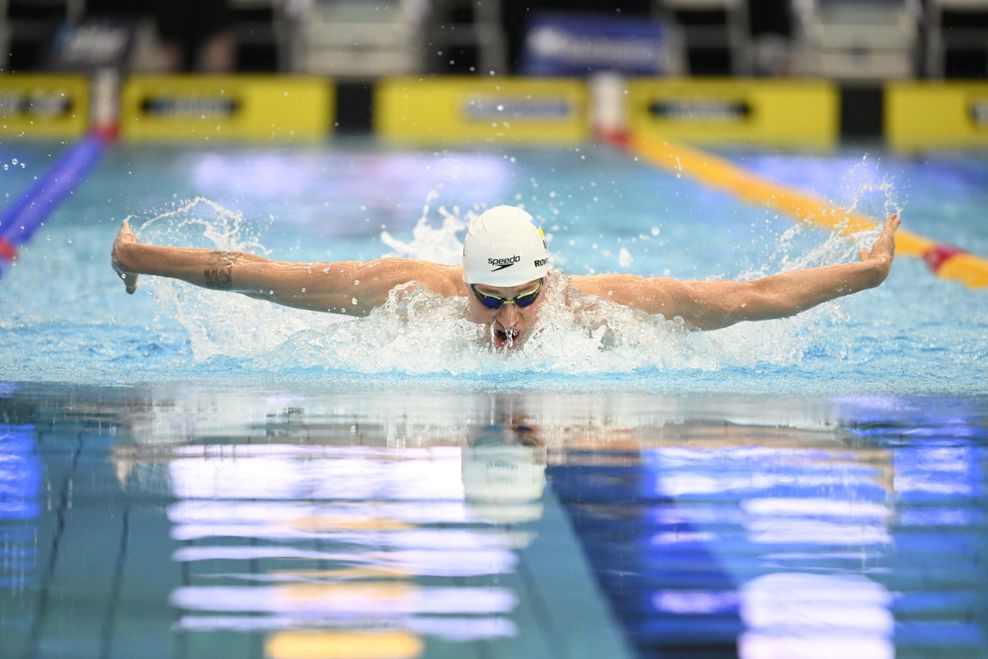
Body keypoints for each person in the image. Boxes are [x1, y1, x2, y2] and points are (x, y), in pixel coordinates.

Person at [111, 205, 900, 349]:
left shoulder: (593, 310)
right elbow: (261, 275)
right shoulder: (413, 291)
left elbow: (746, 300)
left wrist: (864, 276)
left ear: (547, 283)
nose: (510, 320)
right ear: (468, 286)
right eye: (492, 299)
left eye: (526, 297)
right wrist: (141, 256)